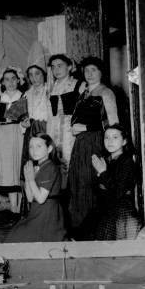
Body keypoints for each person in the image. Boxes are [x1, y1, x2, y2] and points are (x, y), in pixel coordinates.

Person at [68, 56, 119, 229]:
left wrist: (86, 127)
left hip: (96, 143)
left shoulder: (106, 93)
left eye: (94, 70)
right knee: (78, 182)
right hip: (81, 144)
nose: (89, 74)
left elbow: (113, 124)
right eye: (86, 70)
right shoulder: (84, 93)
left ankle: (92, 228)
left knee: (90, 184)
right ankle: (79, 226)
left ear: (101, 72)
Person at [73, 124, 142, 241]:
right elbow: (98, 189)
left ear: (124, 141)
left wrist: (103, 172)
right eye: (106, 137)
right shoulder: (107, 160)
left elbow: (118, 192)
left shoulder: (126, 162)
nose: (110, 141)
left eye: (115, 137)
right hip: (104, 210)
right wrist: (100, 174)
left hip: (119, 213)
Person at [4, 133, 66, 243]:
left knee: (15, 239)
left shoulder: (49, 167)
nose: (34, 150)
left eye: (39, 146)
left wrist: (31, 179)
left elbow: (41, 199)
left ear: (49, 148)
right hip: (37, 211)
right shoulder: (39, 166)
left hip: (47, 214)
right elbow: (30, 198)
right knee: (14, 234)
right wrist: (28, 180)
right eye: (31, 146)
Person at [0, 66, 25, 220]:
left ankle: (21, 208)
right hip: (4, 137)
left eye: (13, 79)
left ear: (19, 80)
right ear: (2, 82)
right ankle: (13, 209)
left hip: (20, 135)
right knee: (9, 173)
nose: (10, 82)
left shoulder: (25, 97)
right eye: (7, 79)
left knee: (19, 170)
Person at [46, 54, 85, 189]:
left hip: (70, 129)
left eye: (60, 66)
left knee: (70, 160)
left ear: (69, 67)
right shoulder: (51, 87)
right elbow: (49, 112)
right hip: (54, 127)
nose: (56, 70)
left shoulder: (79, 85)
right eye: (53, 67)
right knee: (55, 160)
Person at [19, 46, 50, 212]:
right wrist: (23, 124)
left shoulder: (50, 91)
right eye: (30, 75)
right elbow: (23, 118)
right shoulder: (26, 95)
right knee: (30, 168)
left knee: (45, 169)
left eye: (37, 73)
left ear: (44, 74)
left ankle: (45, 209)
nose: (33, 78)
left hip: (46, 134)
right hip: (30, 136)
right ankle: (30, 210)